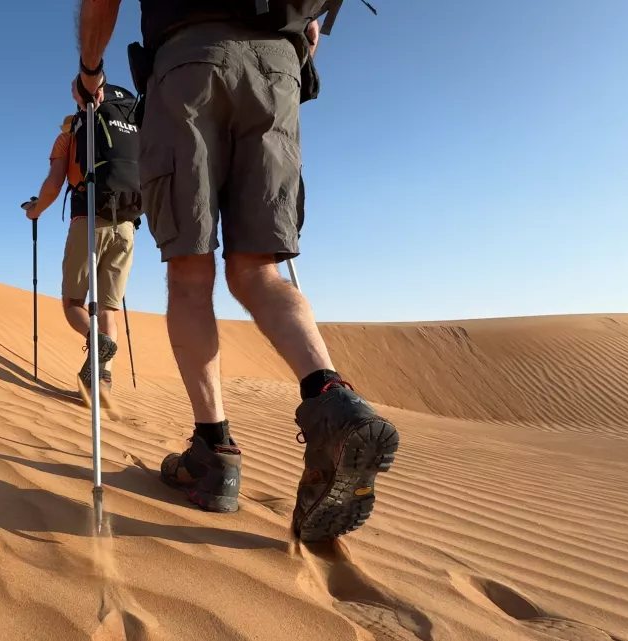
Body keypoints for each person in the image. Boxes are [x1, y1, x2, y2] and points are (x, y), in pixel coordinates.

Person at [73, 0, 400, 542]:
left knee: (190, 276)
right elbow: (313, 27)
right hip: (277, 70)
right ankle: (330, 397)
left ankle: (214, 450)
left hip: (186, 66)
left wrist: (90, 71)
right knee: (259, 272)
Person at [24, 81, 140, 413]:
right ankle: (102, 379)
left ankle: (97, 342)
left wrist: (35, 210)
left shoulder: (68, 136)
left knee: (74, 302)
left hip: (88, 220)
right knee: (108, 309)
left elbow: (53, 183)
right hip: (128, 225)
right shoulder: (124, 126)